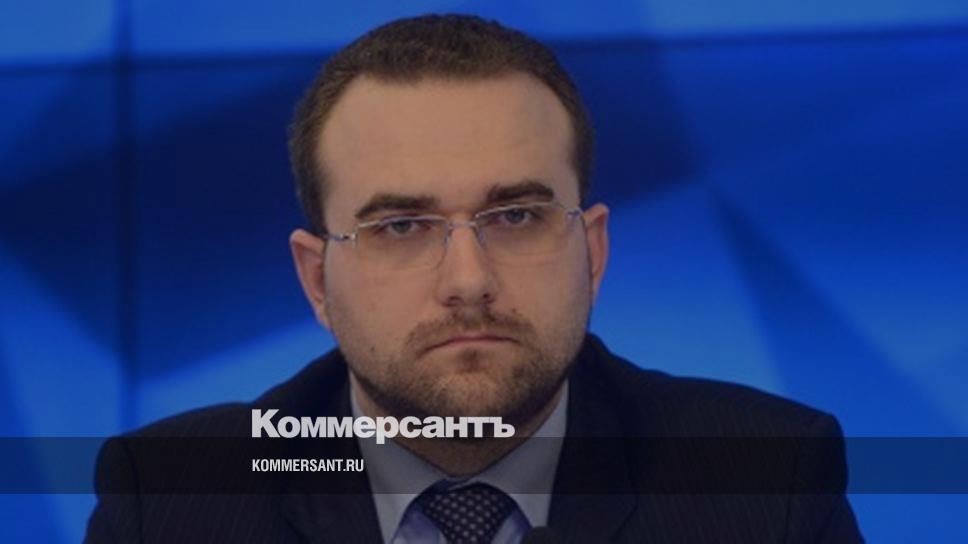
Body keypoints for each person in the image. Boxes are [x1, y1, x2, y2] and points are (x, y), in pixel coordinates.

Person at [86, 14, 863, 543]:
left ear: (592, 250)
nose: (468, 281)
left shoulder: (765, 481)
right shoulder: (175, 500)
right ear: (317, 280)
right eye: (401, 227)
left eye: (517, 215)